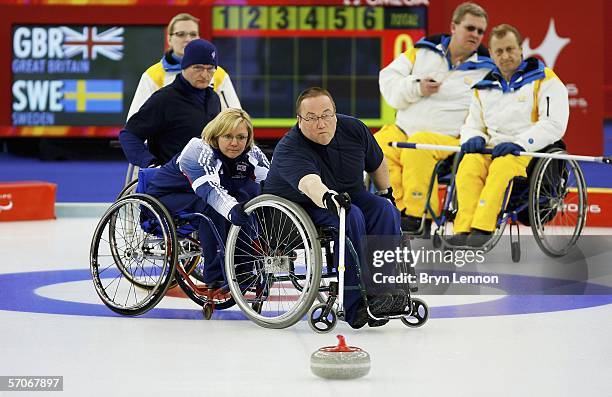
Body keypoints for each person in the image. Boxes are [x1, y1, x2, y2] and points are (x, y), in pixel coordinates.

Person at [263, 87, 408, 329]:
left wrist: (387, 194)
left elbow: (378, 163)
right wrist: (330, 198)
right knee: (350, 215)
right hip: (302, 207)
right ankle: (355, 303)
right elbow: (309, 183)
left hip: (349, 195)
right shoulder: (290, 148)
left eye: (327, 115)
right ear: (299, 120)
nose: (321, 123)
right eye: (312, 118)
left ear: (335, 114)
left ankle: (382, 291)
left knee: (385, 210)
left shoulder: (353, 128)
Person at [376, 2, 494, 233]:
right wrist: (416, 87)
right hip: (403, 129)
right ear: (453, 26)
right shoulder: (423, 51)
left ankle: (418, 216)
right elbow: (388, 78)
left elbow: (490, 110)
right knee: (377, 145)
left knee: (418, 146)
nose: (475, 35)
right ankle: (397, 208)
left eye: (480, 31)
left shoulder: (487, 69)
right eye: (470, 28)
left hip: (450, 139)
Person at [451, 24, 569, 247]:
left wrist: (520, 143)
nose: (505, 56)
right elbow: (472, 124)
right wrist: (473, 137)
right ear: (492, 55)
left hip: (529, 150)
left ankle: (483, 228)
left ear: (521, 50)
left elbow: (554, 125)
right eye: (499, 51)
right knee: (469, 164)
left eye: (510, 49)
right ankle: (462, 228)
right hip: (491, 148)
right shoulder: (483, 87)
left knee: (502, 166)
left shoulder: (546, 80)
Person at [145, 108, 269, 285]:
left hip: (204, 195)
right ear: (216, 135)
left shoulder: (251, 153)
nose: (235, 143)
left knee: (247, 199)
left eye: (241, 137)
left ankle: (244, 269)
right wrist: (233, 210)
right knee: (213, 208)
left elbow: (272, 182)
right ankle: (215, 275)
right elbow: (209, 191)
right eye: (228, 136)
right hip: (166, 198)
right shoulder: (197, 150)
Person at [119, 39, 221, 169]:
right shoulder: (164, 99)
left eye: (211, 69)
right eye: (198, 68)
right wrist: (151, 164)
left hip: (209, 176)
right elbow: (129, 135)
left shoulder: (214, 99)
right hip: (172, 180)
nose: (205, 74)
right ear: (184, 66)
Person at [127, 13, 240, 120]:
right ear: (169, 39)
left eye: (193, 34)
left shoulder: (218, 73)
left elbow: (236, 119)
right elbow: (135, 122)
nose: (188, 39)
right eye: (181, 34)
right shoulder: (152, 75)